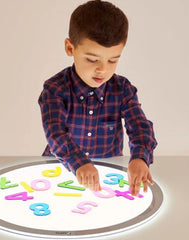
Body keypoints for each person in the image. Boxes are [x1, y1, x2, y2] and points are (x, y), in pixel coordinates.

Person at [38, 0, 157, 196]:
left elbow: (140, 126)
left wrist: (140, 158)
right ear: (70, 48)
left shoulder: (123, 90)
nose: (102, 69)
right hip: (59, 172)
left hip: (107, 175)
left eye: (113, 60)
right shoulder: (55, 89)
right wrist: (79, 163)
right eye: (92, 59)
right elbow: (56, 134)